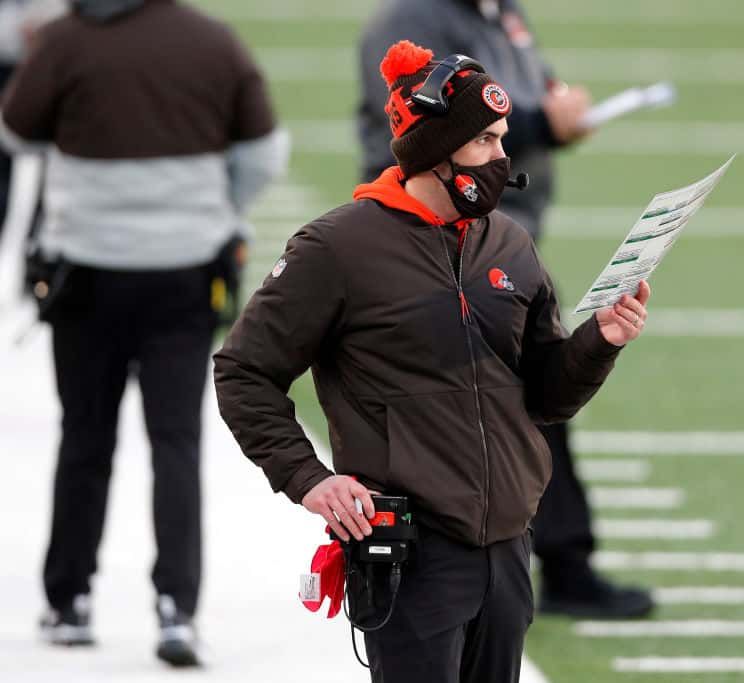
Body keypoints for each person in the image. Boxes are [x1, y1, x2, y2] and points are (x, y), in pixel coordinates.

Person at [214, 40, 651, 683]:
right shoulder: (337, 248)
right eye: (485, 142)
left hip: (506, 549)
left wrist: (601, 340)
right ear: (434, 148)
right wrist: (309, 480)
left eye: (504, 139)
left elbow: (547, 396)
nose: (504, 157)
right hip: (413, 554)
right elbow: (243, 372)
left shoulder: (509, 240)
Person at [0, 0, 288, 666]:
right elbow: (266, 152)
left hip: (85, 271)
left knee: (85, 437)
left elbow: (15, 131)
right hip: (184, 272)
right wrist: (216, 210)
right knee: (176, 441)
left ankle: (68, 599)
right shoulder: (214, 42)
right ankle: (177, 608)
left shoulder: (67, 40)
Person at [358, 0, 654, 617]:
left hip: (501, 230)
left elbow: (525, 93)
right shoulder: (411, 22)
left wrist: (561, 110)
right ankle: (524, 564)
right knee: (480, 397)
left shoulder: (502, 14)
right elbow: (435, 123)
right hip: (443, 233)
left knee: (530, 388)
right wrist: (542, 121)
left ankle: (548, 562)